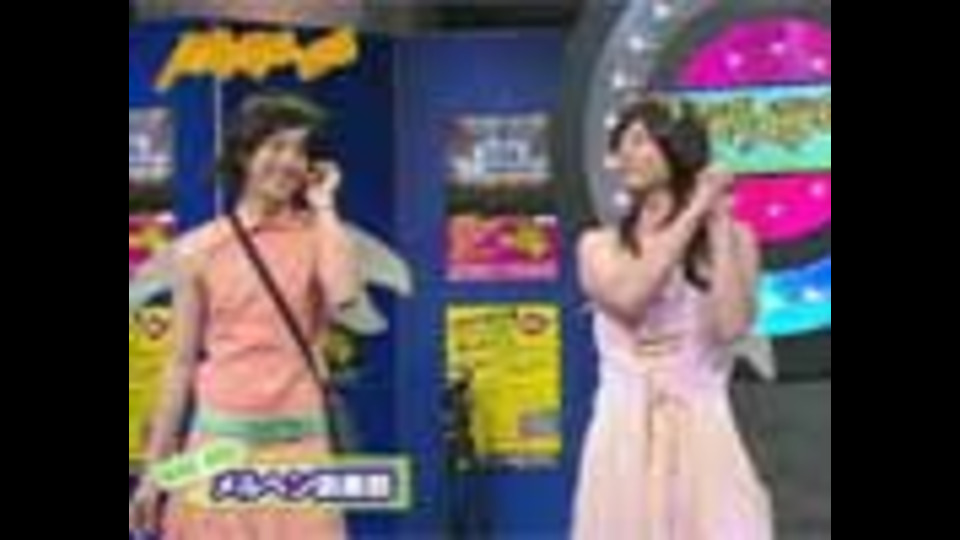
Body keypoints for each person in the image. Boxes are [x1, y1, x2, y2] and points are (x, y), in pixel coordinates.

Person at [129, 93, 359, 539]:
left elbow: (344, 296)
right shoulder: (197, 250)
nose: (289, 161)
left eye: (300, 151)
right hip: (216, 449)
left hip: (298, 451)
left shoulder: (321, 235)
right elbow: (180, 364)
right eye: (276, 146)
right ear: (244, 155)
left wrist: (325, 204)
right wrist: (155, 471)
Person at [573, 96, 773, 540]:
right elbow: (630, 297)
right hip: (624, 435)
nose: (624, 155)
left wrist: (717, 227)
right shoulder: (598, 245)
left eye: (639, 141)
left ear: (677, 147)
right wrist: (695, 209)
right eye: (620, 144)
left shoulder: (736, 238)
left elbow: (731, 326)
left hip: (704, 431)